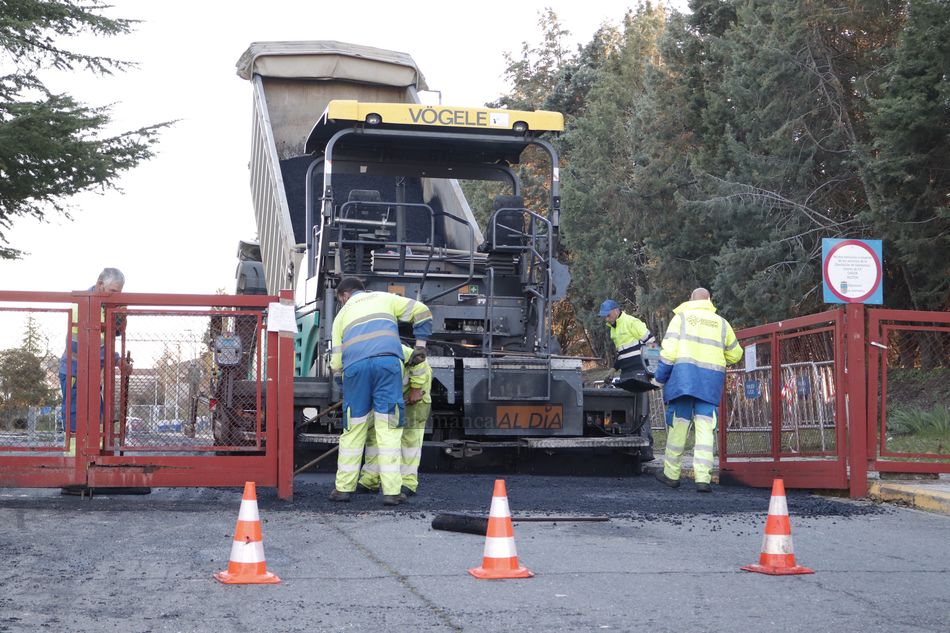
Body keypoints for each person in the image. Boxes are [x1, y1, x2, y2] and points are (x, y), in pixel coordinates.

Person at [329, 277, 432, 506]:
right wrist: (421, 347)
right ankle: (392, 492)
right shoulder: (385, 298)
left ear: (344, 296)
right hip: (388, 363)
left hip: (355, 369)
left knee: (354, 429)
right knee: (389, 427)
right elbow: (422, 311)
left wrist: (345, 388)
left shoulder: (340, 317)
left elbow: (336, 363)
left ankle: (344, 489)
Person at [652, 288, 743, 492]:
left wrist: (659, 378)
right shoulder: (722, 323)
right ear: (709, 300)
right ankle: (703, 478)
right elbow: (736, 354)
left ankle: (671, 474)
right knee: (705, 431)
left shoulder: (681, 319)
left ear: (690, 299)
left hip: (683, 382)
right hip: (709, 384)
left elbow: (669, 353)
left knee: (679, 427)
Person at [59, 268, 126, 455]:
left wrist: (116, 358)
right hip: (75, 371)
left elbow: (107, 342)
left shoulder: (107, 307)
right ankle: (74, 463)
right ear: (99, 284)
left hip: (92, 373)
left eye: (119, 293)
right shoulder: (83, 306)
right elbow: (78, 347)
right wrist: (115, 360)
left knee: (96, 416)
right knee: (76, 415)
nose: (115, 297)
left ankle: (93, 459)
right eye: (113, 292)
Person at [357, 344, 432, 496]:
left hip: (415, 391)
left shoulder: (396, 350)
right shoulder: (363, 360)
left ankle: (407, 482)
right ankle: (370, 479)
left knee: (409, 438)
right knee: (375, 435)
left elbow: (420, 361)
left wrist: (416, 389)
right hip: (389, 393)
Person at [599, 298, 656, 460]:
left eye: (608, 315)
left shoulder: (632, 322)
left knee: (642, 410)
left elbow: (651, 343)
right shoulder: (613, 329)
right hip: (627, 375)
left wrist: (652, 370)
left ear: (616, 311)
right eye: (604, 316)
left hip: (640, 372)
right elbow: (622, 354)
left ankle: (646, 449)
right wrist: (612, 370)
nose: (606, 318)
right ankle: (633, 447)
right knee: (631, 410)